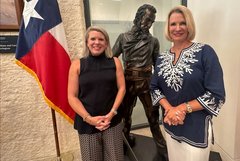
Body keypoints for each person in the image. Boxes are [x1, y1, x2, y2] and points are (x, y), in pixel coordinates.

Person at [150, 5, 225, 161]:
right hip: (171, 125)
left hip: (196, 129)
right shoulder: (162, 58)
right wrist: (170, 109)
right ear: (168, 28)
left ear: (189, 25)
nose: (177, 28)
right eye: (173, 24)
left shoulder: (205, 52)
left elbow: (216, 94)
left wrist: (182, 109)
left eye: (182, 23)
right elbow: (154, 88)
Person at [112, 4, 168, 160]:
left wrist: (162, 87)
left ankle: (161, 146)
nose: (149, 24)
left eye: (152, 21)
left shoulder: (154, 41)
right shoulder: (123, 38)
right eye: (147, 19)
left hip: (146, 83)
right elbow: (112, 60)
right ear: (139, 17)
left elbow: (158, 66)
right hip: (127, 82)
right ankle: (125, 140)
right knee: (125, 114)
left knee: (152, 116)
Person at [68, 26, 126, 161]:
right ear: (87, 42)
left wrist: (111, 114)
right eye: (93, 39)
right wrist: (89, 119)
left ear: (106, 43)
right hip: (87, 123)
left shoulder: (115, 62)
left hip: (112, 122)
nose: (97, 42)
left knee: (115, 158)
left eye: (101, 39)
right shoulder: (77, 65)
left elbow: (122, 89)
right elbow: (72, 96)